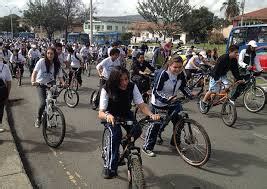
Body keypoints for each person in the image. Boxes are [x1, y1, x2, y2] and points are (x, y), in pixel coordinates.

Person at [98, 66, 160, 179]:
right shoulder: (107, 88)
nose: (125, 82)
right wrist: (108, 115)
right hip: (111, 115)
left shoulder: (132, 86)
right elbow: (101, 113)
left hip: (126, 114)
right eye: (121, 80)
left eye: (126, 79)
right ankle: (109, 166)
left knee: (137, 130)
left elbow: (141, 105)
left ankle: (124, 143)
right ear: (114, 80)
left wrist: (151, 115)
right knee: (115, 135)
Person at [143, 56, 193, 157]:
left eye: (180, 67)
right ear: (169, 66)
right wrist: (167, 99)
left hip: (173, 100)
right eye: (175, 67)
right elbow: (156, 91)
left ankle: (175, 143)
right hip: (160, 102)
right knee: (156, 124)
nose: (178, 69)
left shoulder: (180, 74)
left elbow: (183, 86)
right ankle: (147, 147)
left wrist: (190, 94)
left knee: (179, 121)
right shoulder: (163, 74)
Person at [31, 47, 65, 128]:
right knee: (43, 103)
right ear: (46, 54)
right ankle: (39, 118)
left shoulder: (57, 63)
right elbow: (34, 72)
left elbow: (60, 76)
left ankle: (51, 109)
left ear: (54, 55)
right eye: (48, 53)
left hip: (51, 83)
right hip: (41, 84)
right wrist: (33, 81)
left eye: (51, 53)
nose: (50, 55)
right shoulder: (41, 61)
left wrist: (63, 83)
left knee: (52, 100)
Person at [0, 41, 12, 133]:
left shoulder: (5, 67)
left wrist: (7, 95)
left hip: (2, 93)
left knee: (0, 111)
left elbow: (9, 82)